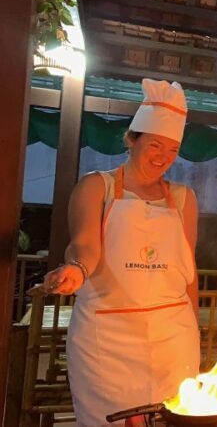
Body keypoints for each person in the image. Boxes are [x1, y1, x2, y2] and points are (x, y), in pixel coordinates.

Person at [39, 79, 200, 426]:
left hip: (174, 338)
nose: (164, 158)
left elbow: (189, 273)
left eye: (173, 150)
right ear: (132, 139)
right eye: (156, 145)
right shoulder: (98, 186)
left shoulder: (184, 199)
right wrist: (77, 270)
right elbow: (85, 246)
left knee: (173, 418)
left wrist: (195, 330)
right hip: (108, 340)